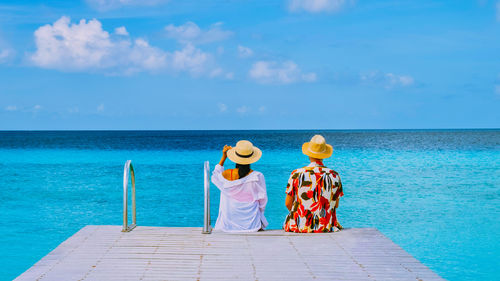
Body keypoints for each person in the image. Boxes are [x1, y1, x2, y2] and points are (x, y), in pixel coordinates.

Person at [283, 134, 343, 233]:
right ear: (324, 155)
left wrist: (303, 219)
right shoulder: (334, 175)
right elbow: (335, 205)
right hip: (325, 226)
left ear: (308, 154)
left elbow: (288, 203)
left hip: (299, 226)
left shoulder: (296, 174)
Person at [211, 140, 268, 232]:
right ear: (251, 158)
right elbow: (263, 200)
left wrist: (223, 157)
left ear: (235, 157)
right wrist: (260, 214)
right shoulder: (257, 176)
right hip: (251, 223)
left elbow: (215, 175)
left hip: (228, 223)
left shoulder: (226, 174)